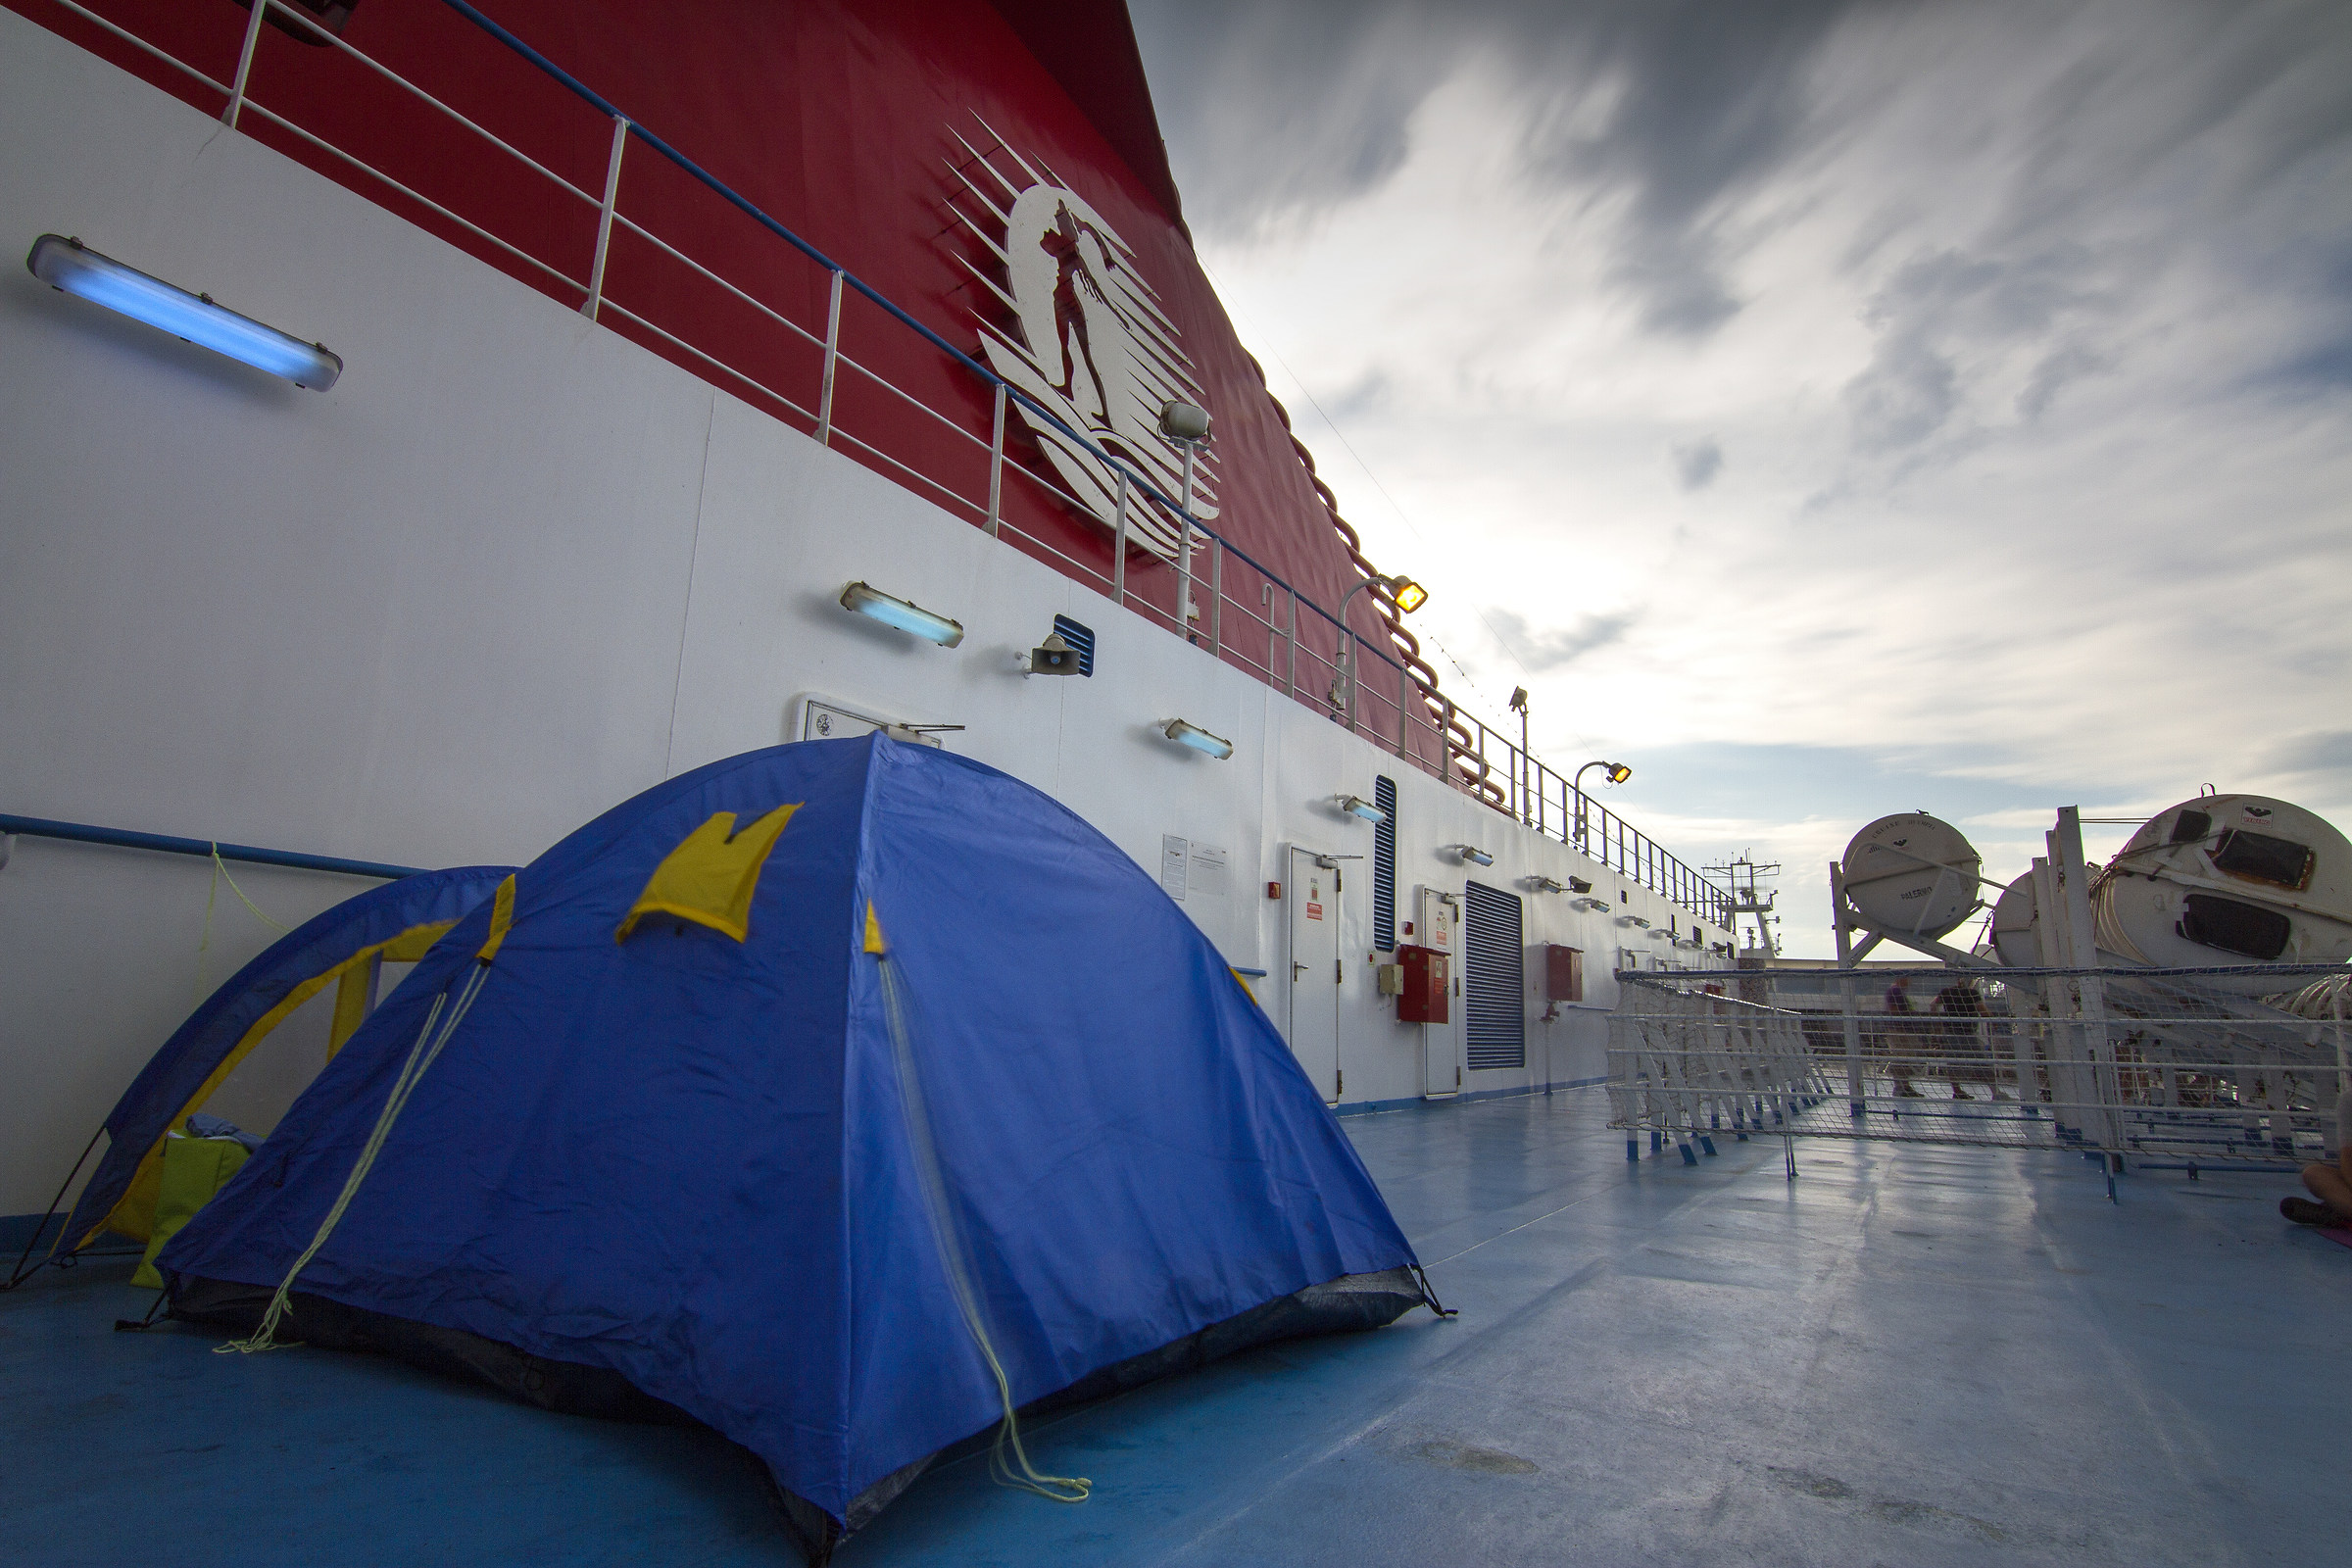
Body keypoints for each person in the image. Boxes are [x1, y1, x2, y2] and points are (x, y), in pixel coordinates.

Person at [2281, 1087, 2352, 1227]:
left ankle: (2339, 1213)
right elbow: (2348, 1155)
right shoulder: (2349, 1100)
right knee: (2314, 1174)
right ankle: (2342, 1212)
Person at [1881, 974, 1923, 1099]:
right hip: (1900, 1030)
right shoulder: (1895, 991)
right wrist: (1908, 1016)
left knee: (1905, 1058)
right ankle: (1900, 1086)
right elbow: (1894, 1010)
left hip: (1903, 1029)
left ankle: (1905, 1085)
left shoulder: (1898, 992)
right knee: (1901, 1057)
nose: (1909, 982)